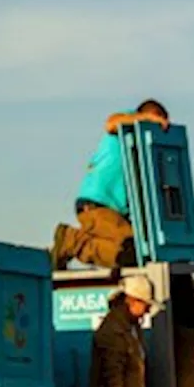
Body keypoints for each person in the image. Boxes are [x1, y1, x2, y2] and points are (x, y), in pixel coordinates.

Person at [51, 100, 171, 271]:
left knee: (137, 252)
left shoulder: (139, 149)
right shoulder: (128, 123)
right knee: (130, 252)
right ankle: (71, 240)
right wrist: (147, 118)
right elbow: (111, 123)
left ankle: (75, 241)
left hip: (111, 209)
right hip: (98, 203)